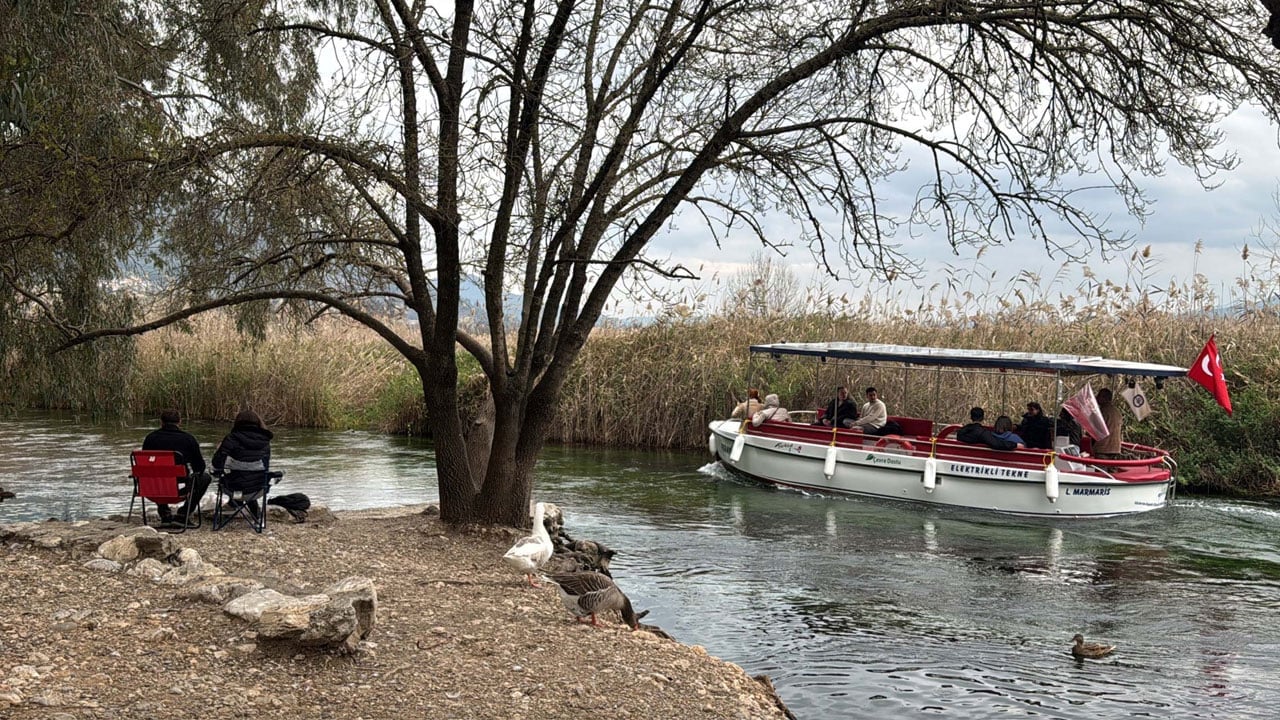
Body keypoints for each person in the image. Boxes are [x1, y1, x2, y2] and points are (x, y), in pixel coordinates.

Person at [141, 409, 212, 525]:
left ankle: (164, 513)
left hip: (153, 488)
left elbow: (145, 464)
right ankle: (184, 514)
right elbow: (199, 468)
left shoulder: (150, 438)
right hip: (179, 485)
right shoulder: (188, 439)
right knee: (205, 478)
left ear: (161, 422)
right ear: (180, 422)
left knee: (157, 476)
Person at [212, 409, 275, 499]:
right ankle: (253, 511)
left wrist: (218, 450)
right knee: (250, 477)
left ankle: (234, 505)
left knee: (233, 477)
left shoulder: (231, 438)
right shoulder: (265, 440)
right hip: (258, 488)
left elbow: (217, 464)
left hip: (232, 487)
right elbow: (265, 466)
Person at [1092, 387, 1124, 459]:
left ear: (1105, 398)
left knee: (1101, 469)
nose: (1096, 398)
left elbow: (1096, 429)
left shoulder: (1102, 412)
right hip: (1115, 448)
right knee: (1112, 469)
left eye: (1099, 396)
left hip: (1103, 448)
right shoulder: (1117, 411)